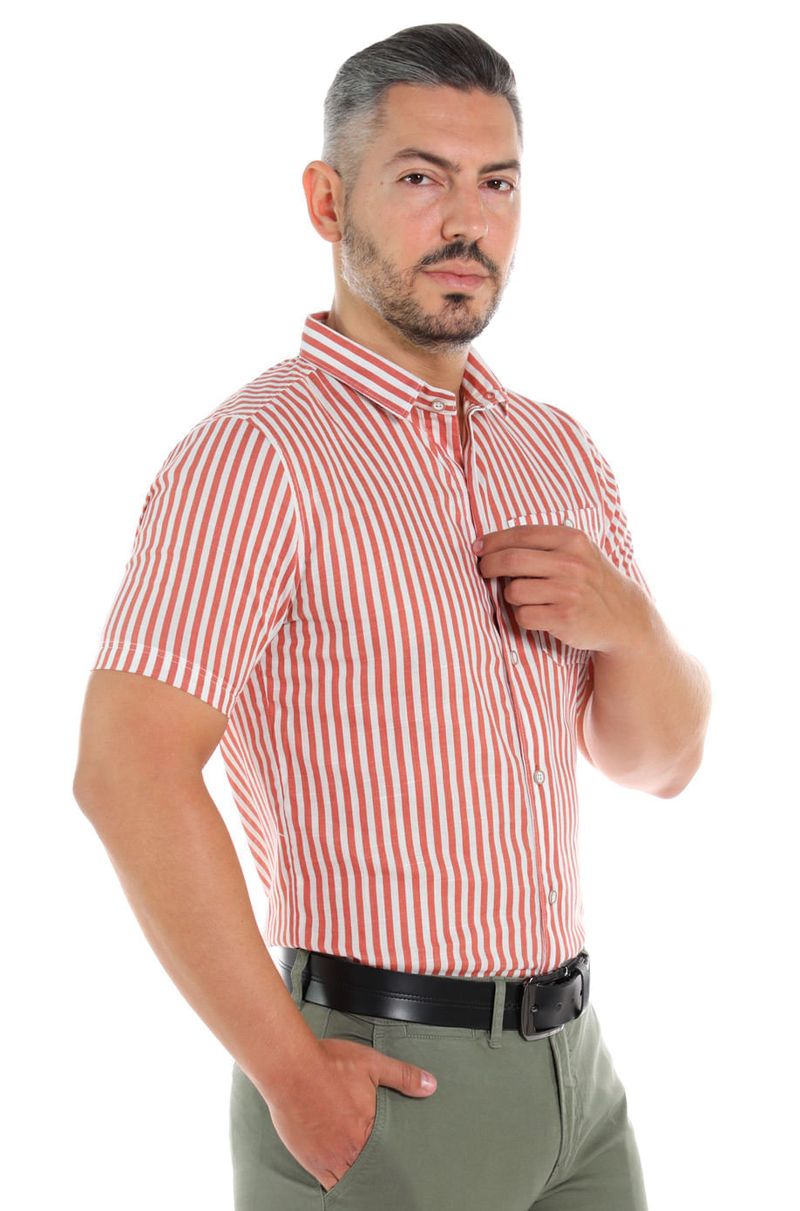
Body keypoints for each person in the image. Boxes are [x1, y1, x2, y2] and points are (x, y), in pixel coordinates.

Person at [73, 22, 712, 1211]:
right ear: (327, 201)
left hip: (578, 1076)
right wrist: (289, 1073)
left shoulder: (556, 450)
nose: (466, 221)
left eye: (496, 184)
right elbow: (125, 769)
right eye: (421, 177)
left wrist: (629, 626)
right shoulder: (256, 456)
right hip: (381, 1075)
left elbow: (660, 763)